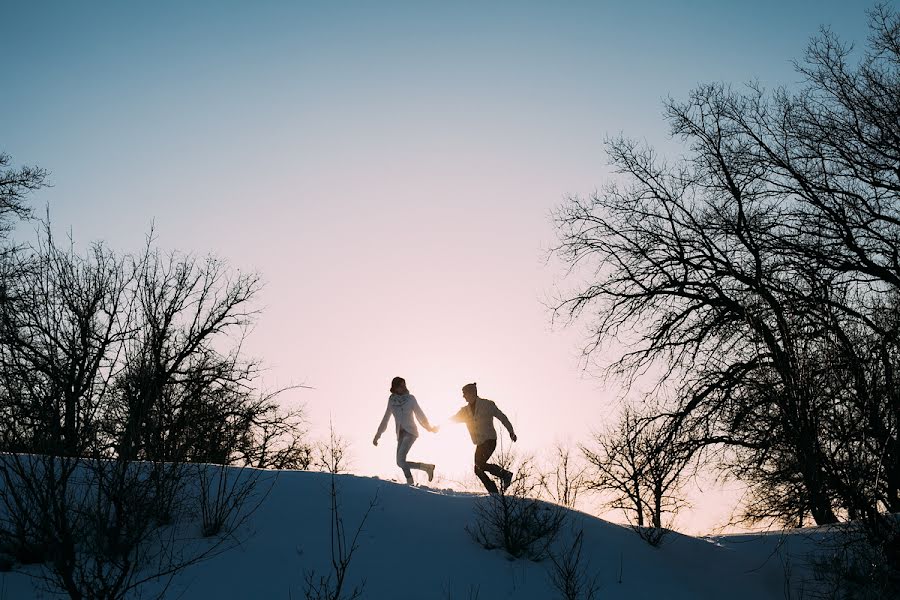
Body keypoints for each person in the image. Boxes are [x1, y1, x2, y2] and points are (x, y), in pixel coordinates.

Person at [446, 382, 517, 494]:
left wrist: (511, 431)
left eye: (465, 394)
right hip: (479, 443)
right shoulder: (465, 411)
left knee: (479, 465)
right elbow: (453, 419)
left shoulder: (487, 404)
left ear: (472, 393)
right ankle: (496, 487)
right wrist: (438, 426)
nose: (463, 396)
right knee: (478, 469)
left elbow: (502, 417)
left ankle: (501, 481)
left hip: (490, 440)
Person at [373, 376, 437, 485]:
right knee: (399, 462)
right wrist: (378, 435)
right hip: (400, 434)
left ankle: (410, 483)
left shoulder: (410, 399)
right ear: (395, 388)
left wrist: (428, 427)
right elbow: (386, 418)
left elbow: (419, 414)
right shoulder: (391, 400)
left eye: (404, 385)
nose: (404, 388)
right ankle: (427, 467)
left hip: (411, 432)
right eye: (401, 386)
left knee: (401, 460)